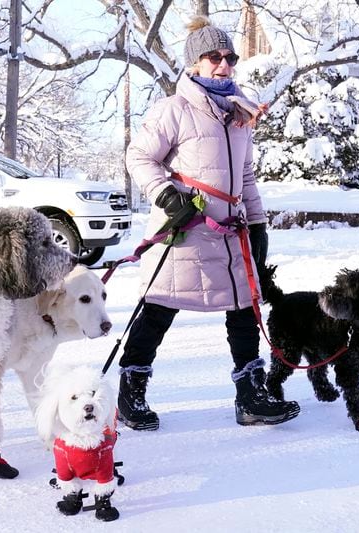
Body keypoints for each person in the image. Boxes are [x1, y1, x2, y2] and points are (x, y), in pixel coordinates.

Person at [117, 16, 300, 431]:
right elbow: (139, 157)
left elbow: (246, 177)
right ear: (194, 64)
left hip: (231, 232)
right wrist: (165, 194)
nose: (224, 65)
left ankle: (251, 396)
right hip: (184, 230)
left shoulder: (239, 116)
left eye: (229, 57)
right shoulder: (173, 109)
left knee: (243, 309)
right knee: (159, 308)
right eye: (214, 57)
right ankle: (131, 394)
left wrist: (257, 224)